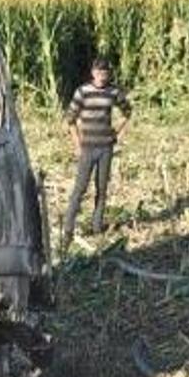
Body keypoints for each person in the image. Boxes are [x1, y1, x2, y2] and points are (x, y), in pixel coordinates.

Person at [63, 58, 131, 248]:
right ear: (93, 73)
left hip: (105, 148)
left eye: (105, 73)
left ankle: (97, 226)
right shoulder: (83, 92)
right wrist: (77, 144)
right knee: (80, 189)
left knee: (102, 188)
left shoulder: (113, 92)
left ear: (109, 74)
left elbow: (128, 112)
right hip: (88, 148)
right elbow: (70, 119)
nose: (102, 77)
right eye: (99, 73)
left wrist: (117, 133)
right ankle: (67, 229)